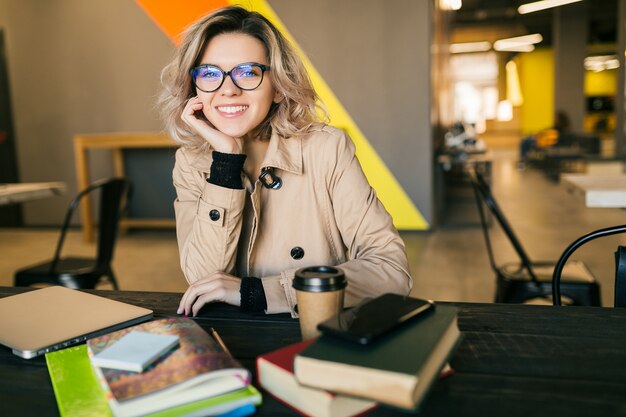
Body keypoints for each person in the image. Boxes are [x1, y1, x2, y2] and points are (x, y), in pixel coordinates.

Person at [159, 6, 412, 318]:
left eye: (248, 72)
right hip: (233, 340)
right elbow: (202, 278)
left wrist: (260, 292)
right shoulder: (190, 162)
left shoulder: (326, 148)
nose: (228, 89)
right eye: (210, 74)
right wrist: (226, 163)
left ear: (278, 87)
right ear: (195, 87)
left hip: (315, 333)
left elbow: (391, 270)